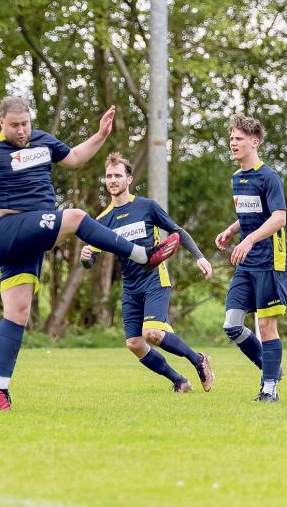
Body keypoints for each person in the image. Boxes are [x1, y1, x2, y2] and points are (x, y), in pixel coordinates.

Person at [0, 96, 180, 411]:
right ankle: (142, 254)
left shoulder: (42, 141)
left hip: (31, 234)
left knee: (18, 311)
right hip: (5, 229)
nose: (21, 130)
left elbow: (72, 158)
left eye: (25, 123)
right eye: (14, 125)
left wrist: (100, 135)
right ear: (1, 123)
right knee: (76, 218)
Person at [80, 153, 213, 393]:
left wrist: (199, 257)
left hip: (154, 279)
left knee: (152, 332)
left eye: (118, 175)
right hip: (130, 286)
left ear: (129, 179)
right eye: (109, 176)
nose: (112, 180)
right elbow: (93, 260)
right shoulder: (102, 220)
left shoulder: (147, 207)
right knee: (134, 343)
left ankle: (198, 360)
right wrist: (86, 258)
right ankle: (179, 381)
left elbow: (177, 231)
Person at [214, 114, 287, 402]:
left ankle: (269, 388)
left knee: (267, 327)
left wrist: (248, 239)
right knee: (232, 324)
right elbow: (250, 214)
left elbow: (279, 218)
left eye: (239, 139)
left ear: (254, 142)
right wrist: (232, 230)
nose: (233, 143)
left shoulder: (269, 177)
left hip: (271, 261)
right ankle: (272, 369)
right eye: (231, 138)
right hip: (246, 262)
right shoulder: (237, 178)